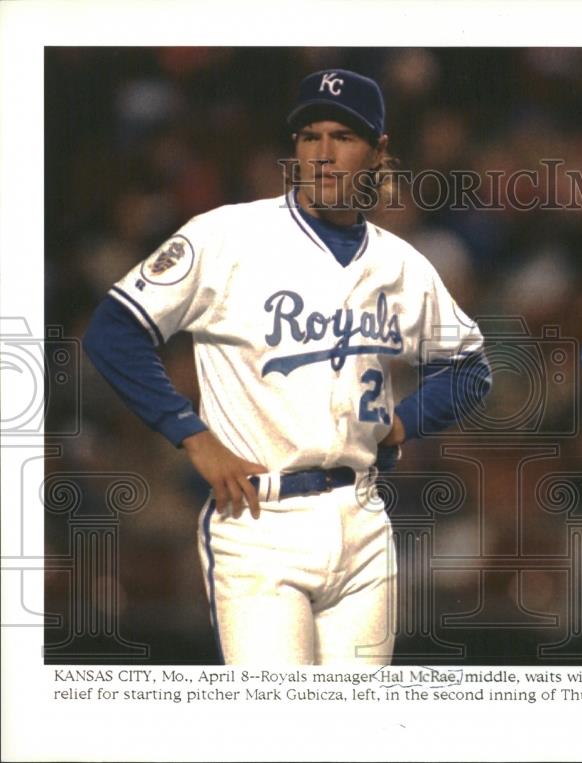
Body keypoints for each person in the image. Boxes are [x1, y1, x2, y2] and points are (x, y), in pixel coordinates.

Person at [83, 69, 491, 665]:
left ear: (378, 152)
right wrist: (191, 435)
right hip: (259, 521)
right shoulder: (228, 236)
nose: (323, 154)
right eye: (308, 136)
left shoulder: (402, 264)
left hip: (364, 519)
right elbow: (114, 331)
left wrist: (404, 422)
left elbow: (471, 368)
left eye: (343, 137)